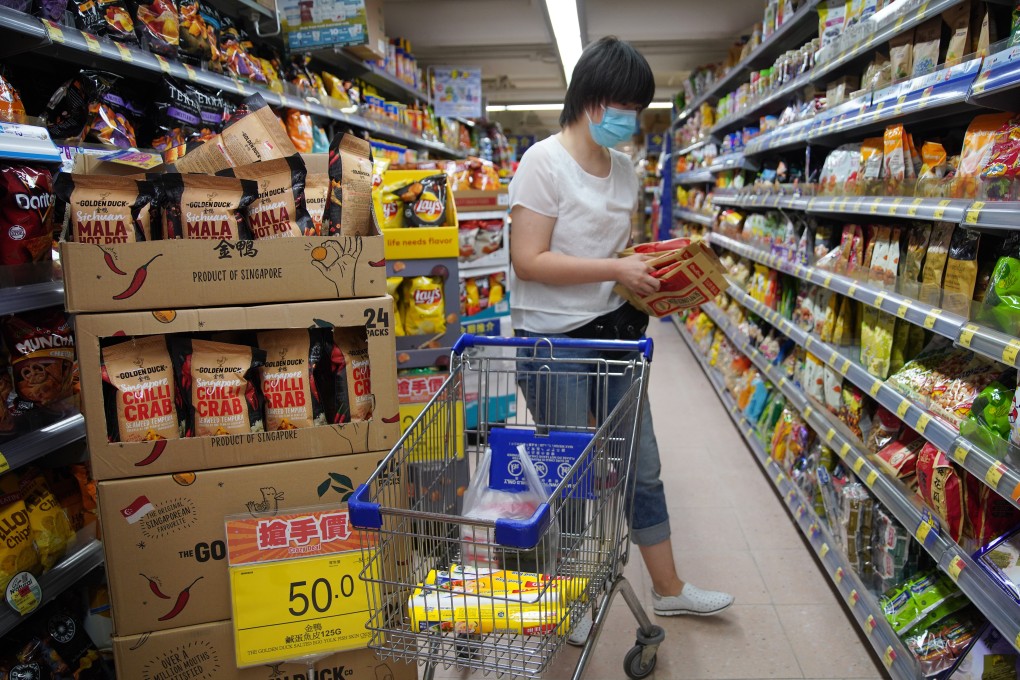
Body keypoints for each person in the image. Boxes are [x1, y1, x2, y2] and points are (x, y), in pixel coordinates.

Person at [507, 36, 734, 644]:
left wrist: (656, 275)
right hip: (553, 344)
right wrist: (615, 271)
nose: (633, 120)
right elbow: (528, 260)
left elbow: (615, 253)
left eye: (639, 108)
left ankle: (670, 590)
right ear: (594, 101)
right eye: (627, 106)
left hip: (613, 337)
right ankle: (571, 592)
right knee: (573, 475)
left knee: (643, 466)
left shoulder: (628, 169)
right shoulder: (543, 163)